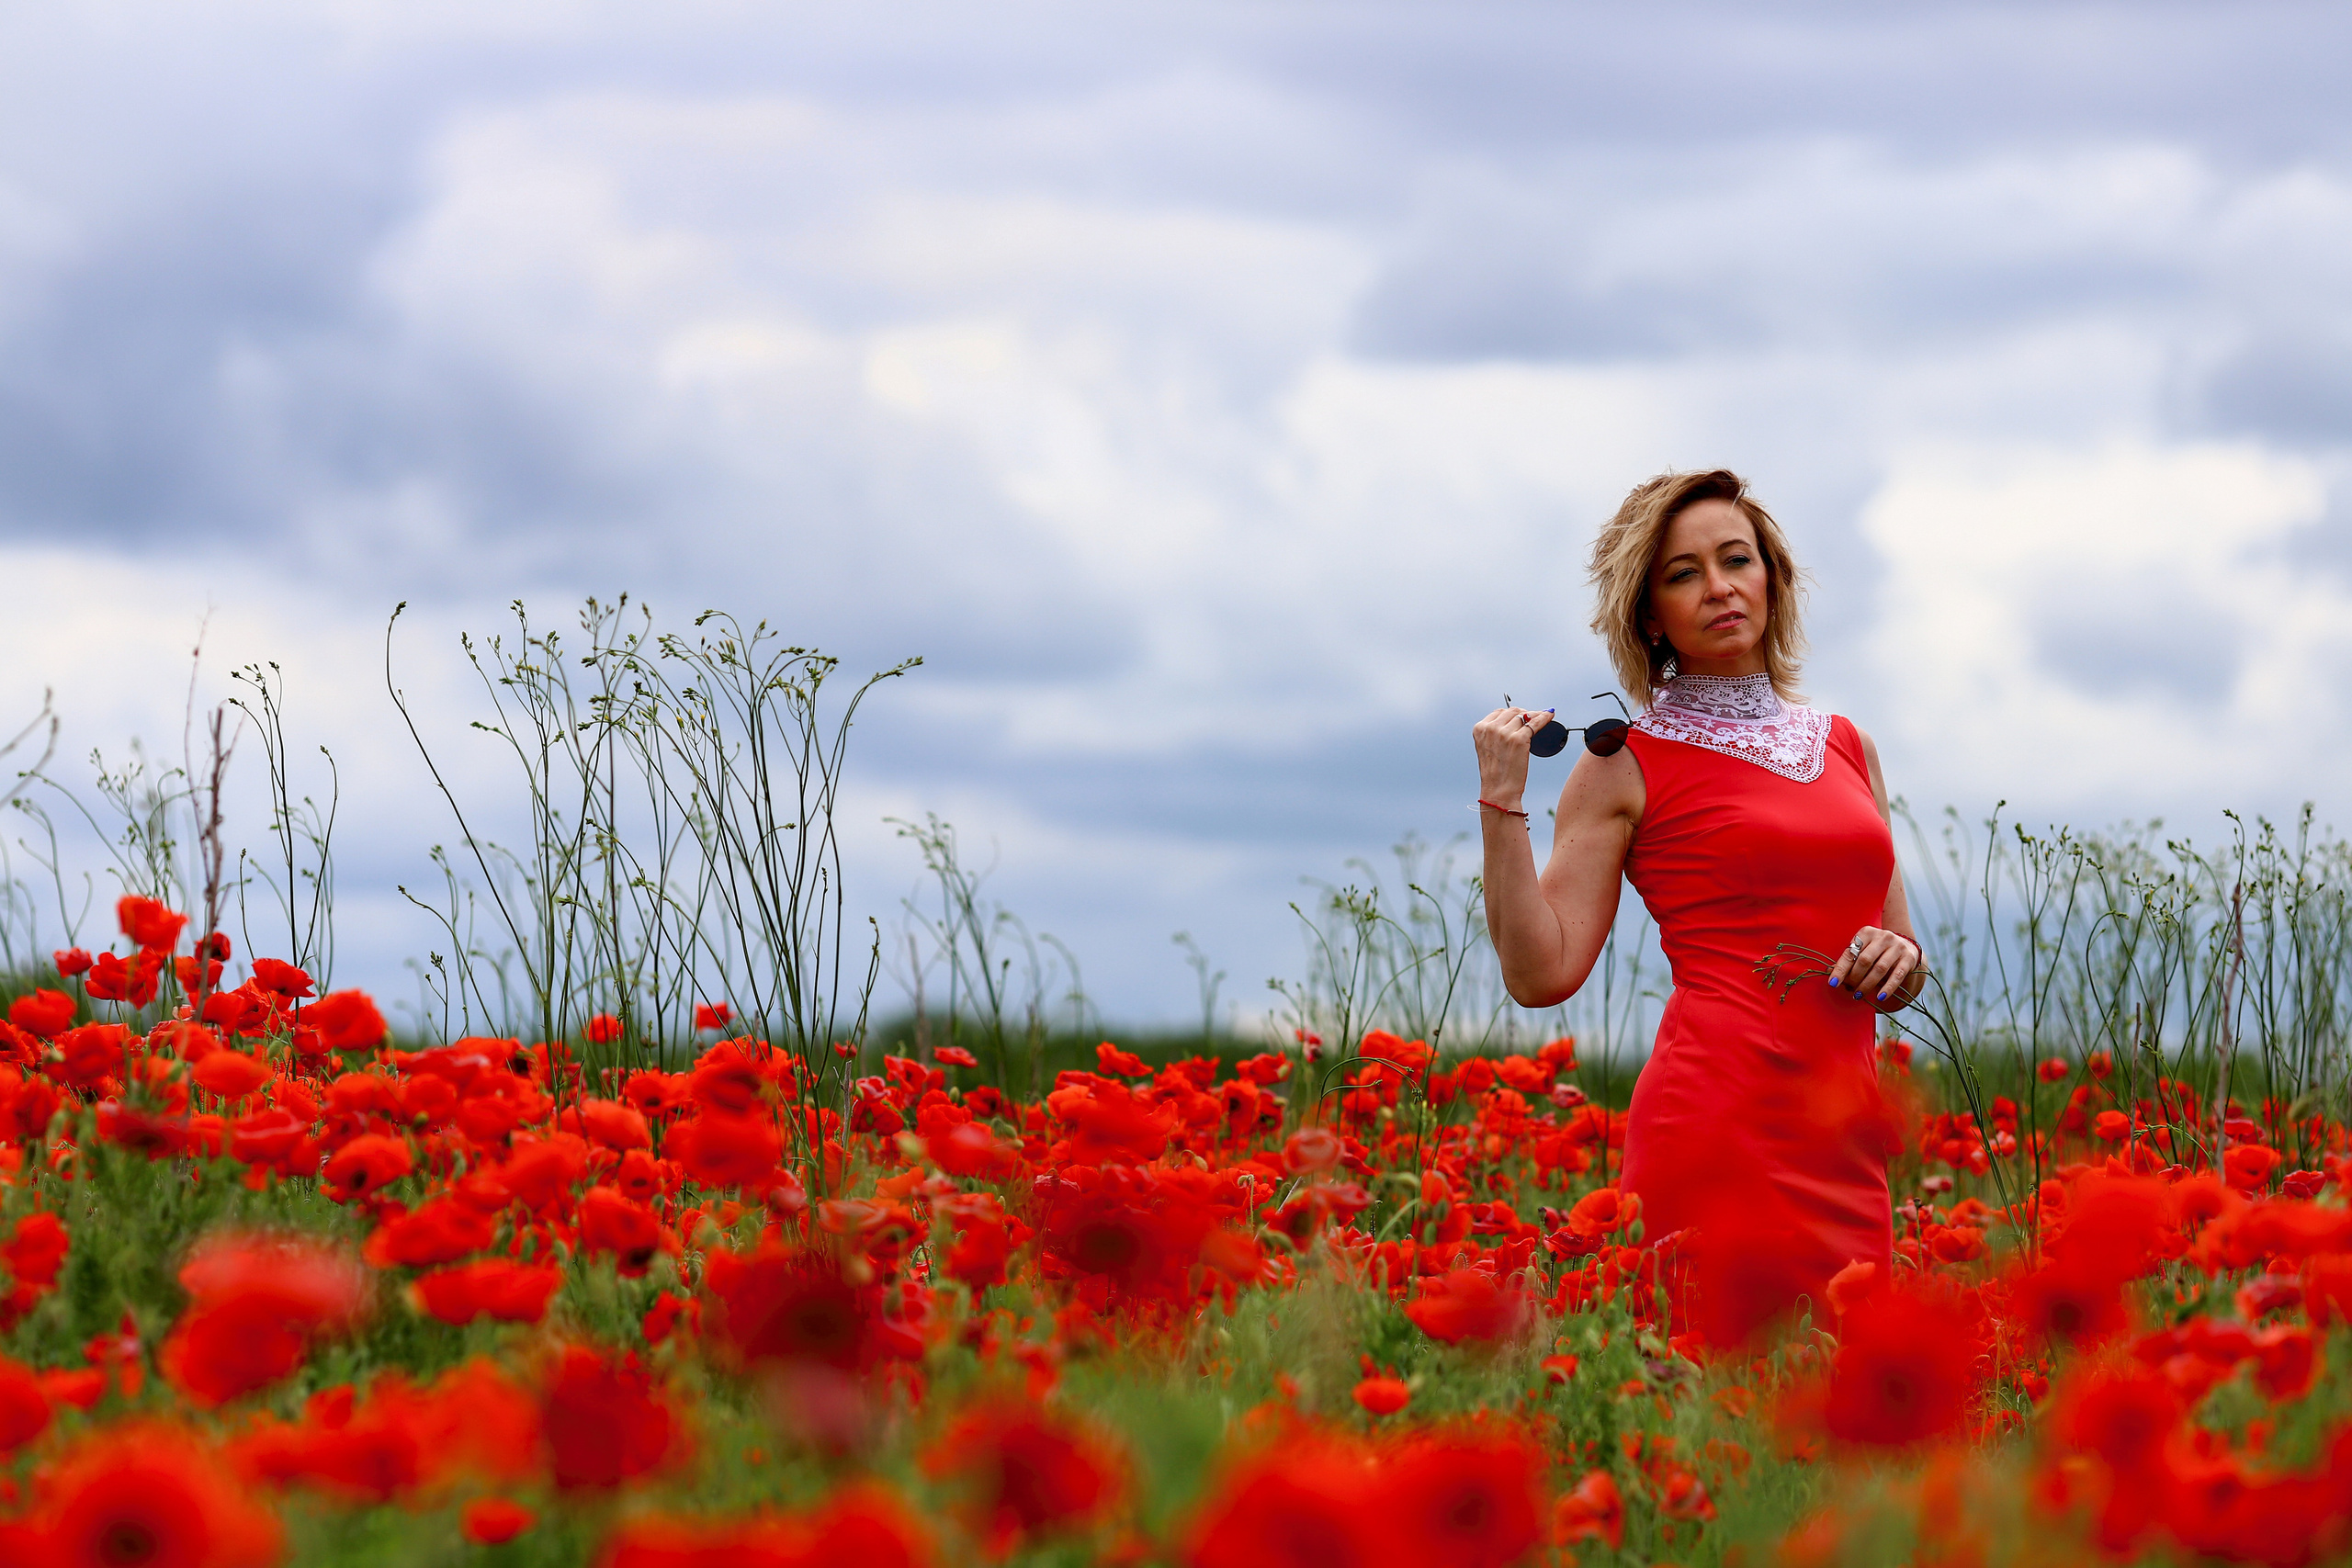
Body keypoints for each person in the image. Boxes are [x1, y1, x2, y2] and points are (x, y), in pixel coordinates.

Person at [1471, 468, 1922, 1339]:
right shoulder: (1622, 762)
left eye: (1736, 560)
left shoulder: (1846, 744)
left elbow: (1896, 955)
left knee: (1847, 1421)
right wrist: (1503, 800)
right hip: (1715, 1124)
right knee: (1705, 1418)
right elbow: (1541, 973)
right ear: (1649, 612)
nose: (1718, 587)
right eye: (1683, 573)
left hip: (1844, 1134)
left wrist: (1903, 962)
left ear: (1771, 578)